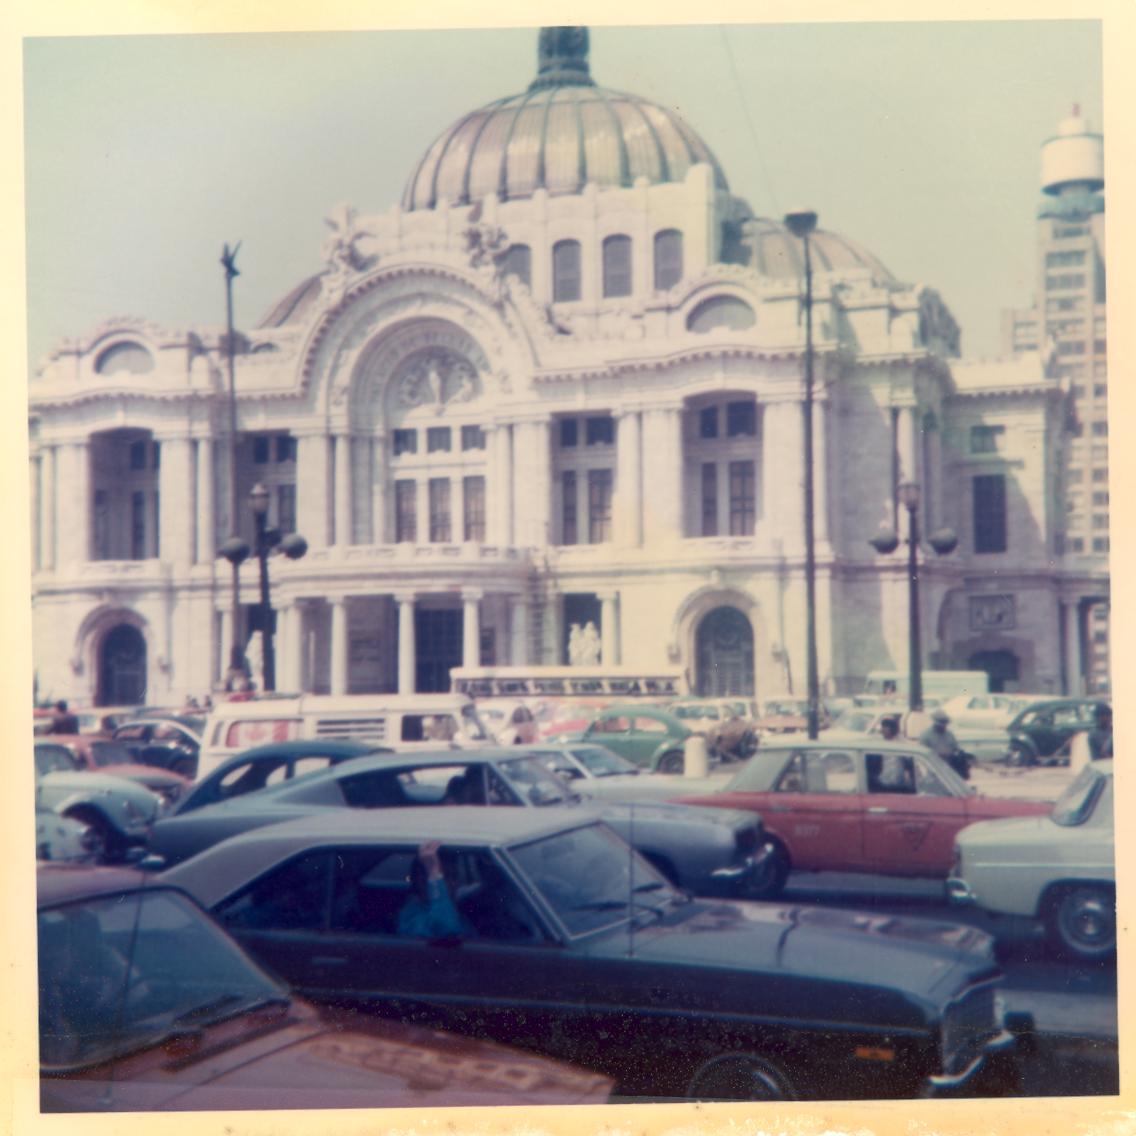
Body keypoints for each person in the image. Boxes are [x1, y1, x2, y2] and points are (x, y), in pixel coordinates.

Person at [397, 841, 475, 940]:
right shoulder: (411, 915)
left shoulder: (456, 913)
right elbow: (446, 931)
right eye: (446, 876)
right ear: (421, 880)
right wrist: (434, 873)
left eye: (454, 876)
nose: (454, 883)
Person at [919, 709, 970, 779]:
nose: (943, 726)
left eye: (945, 724)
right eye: (941, 724)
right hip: (934, 767)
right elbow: (923, 754)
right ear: (935, 723)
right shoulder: (926, 735)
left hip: (949, 766)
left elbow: (955, 748)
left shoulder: (949, 734)